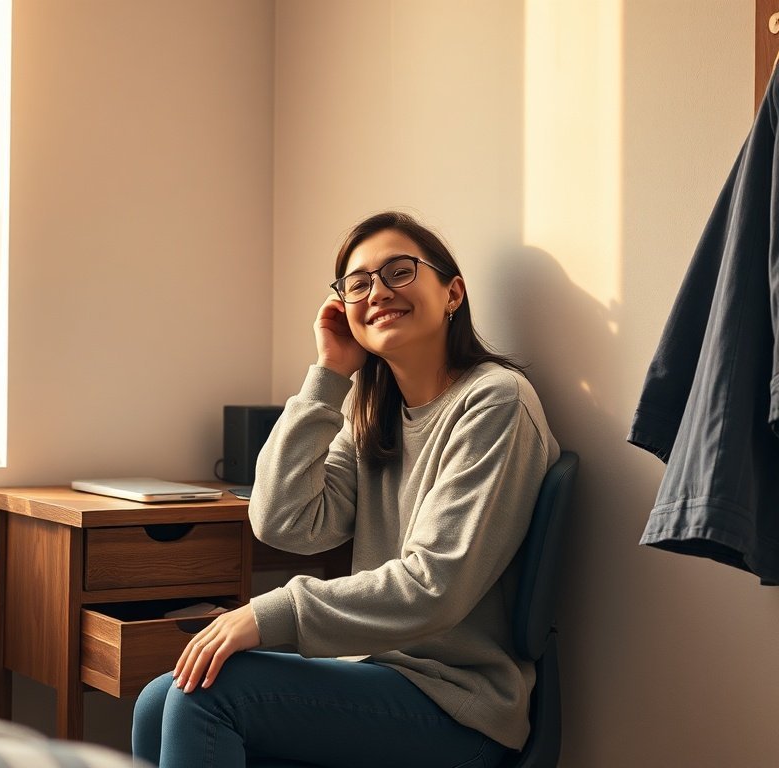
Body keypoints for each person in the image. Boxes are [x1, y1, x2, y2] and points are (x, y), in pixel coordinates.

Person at [132, 211, 560, 768]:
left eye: (399, 272)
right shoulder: (371, 411)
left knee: (209, 695)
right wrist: (329, 374)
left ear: (452, 292)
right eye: (358, 284)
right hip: (373, 676)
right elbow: (286, 522)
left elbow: (435, 586)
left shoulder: (497, 402)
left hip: (458, 707)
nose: (377, 291)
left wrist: (268, 613)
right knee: (156, 699)